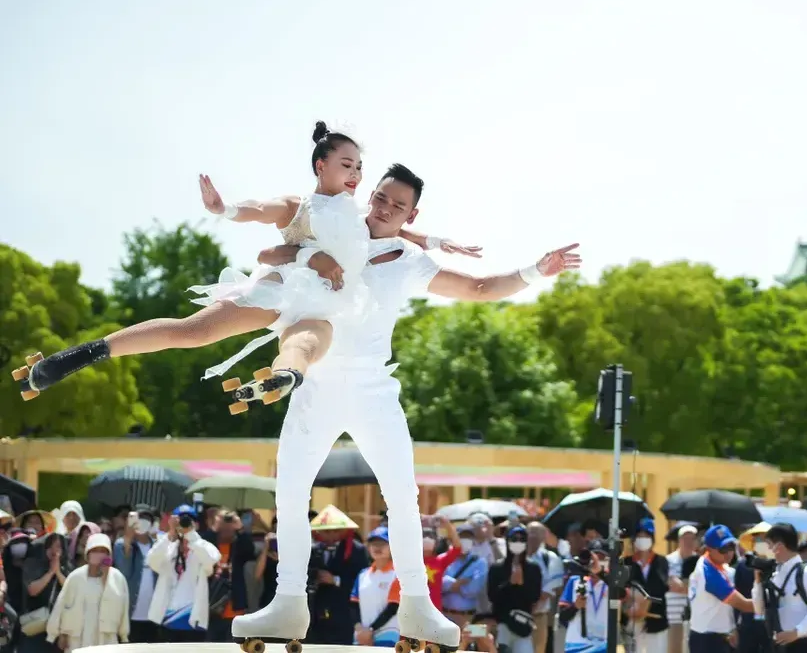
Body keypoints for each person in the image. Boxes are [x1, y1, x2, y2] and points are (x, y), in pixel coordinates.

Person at [232, 161, 581, 652]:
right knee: (290, 493)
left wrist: (535, 270)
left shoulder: (408, 259)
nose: (385, 208)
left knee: (403, 497)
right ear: (369, 195)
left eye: (398, 205)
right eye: (381, 197)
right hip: (318, 384)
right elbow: (271, 250)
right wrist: (300, 251)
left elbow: (478, 288)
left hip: (374, 389)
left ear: (410, 215)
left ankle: (417, 603)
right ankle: (288, 601)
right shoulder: (334, 231)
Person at [11, 122, 472, 405]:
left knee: (309, 341)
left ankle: (285, 376)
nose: (355, 174)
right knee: (192, 333)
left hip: (326, 305)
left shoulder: (358, 210)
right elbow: (262, 213)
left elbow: (386, 227)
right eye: (346, 165)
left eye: (358, 168)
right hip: (282, 290)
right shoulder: (299, 204)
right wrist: (226, 209)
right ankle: (84, 354)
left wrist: (433, 239)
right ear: (320, 165)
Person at [145, 505, 222, 642]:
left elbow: (211, 560)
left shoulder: (203, 546)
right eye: (180, 520)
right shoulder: (167, 546)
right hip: (167, 616)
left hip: (192, 616)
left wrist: (191, 537)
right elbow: (152, 560)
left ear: (197, 525)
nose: (184, 524)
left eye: (189, 521)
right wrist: (170, 534)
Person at [45, 534, 129, 652]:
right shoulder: (76, 577)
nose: (99, 554)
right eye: (95, 550)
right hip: (78, 637)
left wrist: (123, 635)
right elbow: (62, 604)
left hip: (105, 637)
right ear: (88, 553)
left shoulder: (117, 578)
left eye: (103, 551)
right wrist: (59, 633)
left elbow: (123, 607)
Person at [688, 526, 759, 653]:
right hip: (706, 641)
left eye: (731, 546)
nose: (728, 553)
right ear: (709, 549)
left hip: (718, 636)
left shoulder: (718, 565)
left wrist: (731, 628)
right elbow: (744, 605)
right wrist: (772, 603)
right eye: (723, 549)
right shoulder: (709, 575)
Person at [308, 507, 369, 645]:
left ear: (345, 531)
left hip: (343, 612)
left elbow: (363, 580)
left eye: (335, 530)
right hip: (317, 612)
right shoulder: (313, 550)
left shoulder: (357, 550)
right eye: (326, 531)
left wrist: (336, 580)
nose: (330, 535)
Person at [763, 523, 807, 653]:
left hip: (803, 644)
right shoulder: (775, 574)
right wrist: (758, 580)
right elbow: (760, 609)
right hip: (778, 645)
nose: (767, 549)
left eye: (769, 545)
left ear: (779, 546)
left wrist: (796, 632)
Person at [200, 509, 256, 642]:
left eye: (230, 525)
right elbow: (201, 544)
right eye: (223, 525)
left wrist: (240, 527)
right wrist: (215, 528)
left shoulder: (238, 547)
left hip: (234, 606)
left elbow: (250, 550)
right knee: (211, 645)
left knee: (232, 645)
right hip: (212, 605)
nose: (226, 529)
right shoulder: (210, 545)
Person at [559, 540, 622, 653]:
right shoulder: (575, 581)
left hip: (604, 645)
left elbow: (622, 594)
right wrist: (575, 607)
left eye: (601, 558)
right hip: (576, 645)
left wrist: (600, 574)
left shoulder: (612, 584)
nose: (596, 561)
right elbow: (562, 617)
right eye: (594, 557)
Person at [488, 525, 543, 653]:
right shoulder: (497, 567)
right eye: (514, 539)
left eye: (521, 539)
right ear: (507, 541)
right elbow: (492, 596)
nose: (518, 542)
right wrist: (510, 583)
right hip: (502, 624)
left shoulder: (533, 568)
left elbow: (535, 597)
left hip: (523, 625)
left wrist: (522, 584)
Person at [113, 505, 161, 643]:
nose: (143, 523)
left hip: (153, 615)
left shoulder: (158, 546)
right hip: (130, 613)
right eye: (140, 519)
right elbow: (124, 571)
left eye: (147, 519)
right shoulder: (120, 545)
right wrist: (128, 539)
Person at [624, 519, 671, 653]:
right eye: (640, 536)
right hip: (632, 624)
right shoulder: (627, 563)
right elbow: (622, 590)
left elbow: (662, 587)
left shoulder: (662, 562)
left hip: (657, 624)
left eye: (646, 536)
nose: (643, 539)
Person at [352, 527, 403, 647]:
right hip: (361, 635)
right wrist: (359, 629)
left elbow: (393, 608)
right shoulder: (363, 574)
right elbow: (353, 604)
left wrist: (370, 630)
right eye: (374, 544)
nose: (377, 547)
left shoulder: (398, 574)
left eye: (382, 544)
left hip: (388, 633)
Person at [18, 533, 67, 653]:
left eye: (58, 546)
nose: (54, 550)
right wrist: (50, 572)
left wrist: (58, 572)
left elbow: (70, 590)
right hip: (36, 625)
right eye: (50, 546)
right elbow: (32, 590)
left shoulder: (66, 566)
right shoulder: (32, 564)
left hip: (58, 628)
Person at [526, 522, 564, 653]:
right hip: (515, 616)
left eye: (537, 532)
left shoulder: (550, 558)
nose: (533, 536)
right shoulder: (515, 556)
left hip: (539, 616)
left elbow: (550, 589)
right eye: (530, 532)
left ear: (544, 536)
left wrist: (530, 604)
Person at [443, 524, 490, 628]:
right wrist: (457, 583)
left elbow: (473, 589)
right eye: (462, 537)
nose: (465, 541)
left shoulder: (480, 562)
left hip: (470, 618)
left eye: (468, 538)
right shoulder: (444, 559)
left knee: (476, 636)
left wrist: (450, 585)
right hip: (445, 617)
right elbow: (439, 585)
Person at [667, 525, 698, 653]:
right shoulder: (668, 560)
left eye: (692, 539)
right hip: (673, 616)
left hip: (695, 618)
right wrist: (687, 585)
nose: (688, 542)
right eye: (685, 538)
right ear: (679, 540)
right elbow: (670, 584)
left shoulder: (700, 562)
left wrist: (683, 585)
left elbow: (694, 588)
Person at [423, 516, 463, 611]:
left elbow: (457, 548)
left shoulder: (440, 560)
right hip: (414, 610)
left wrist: (447, 525)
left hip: (434, 610)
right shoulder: (410, 561)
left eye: (431, 536)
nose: (427, 539)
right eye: (424, 536)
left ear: (436, 542)